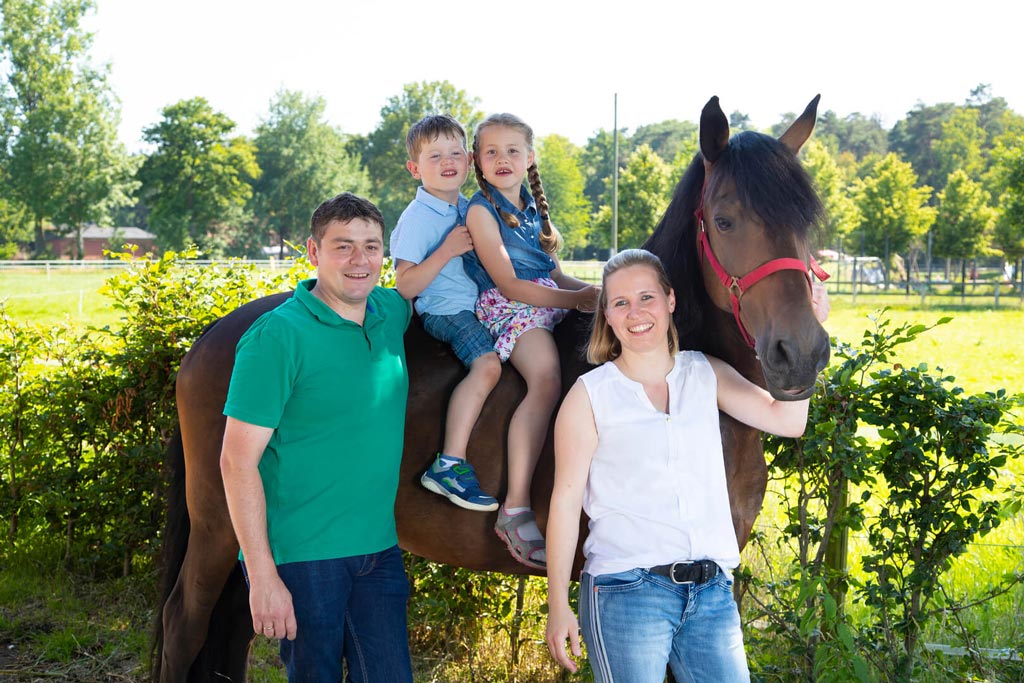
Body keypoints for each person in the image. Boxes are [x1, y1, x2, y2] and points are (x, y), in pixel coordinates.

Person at [545, 249, 828, 682]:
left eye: (646, 297)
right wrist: (557, 604)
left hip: (711, 594)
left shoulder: (705, 374)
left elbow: (788, 420)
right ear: (607, 313)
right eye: (620, 302)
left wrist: (812, 331)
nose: (635, 313)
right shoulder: (590, 396)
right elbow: (564, 504)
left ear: (670, 301)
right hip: (626, 592)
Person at [220, 193, 413, 683]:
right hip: (303, 559)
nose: (359, 261)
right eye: (343, 246)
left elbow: (428, 285)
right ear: (313, 252)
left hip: (379, 552)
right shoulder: (276, 337)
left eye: (371, 247)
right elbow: (236, 462)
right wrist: (262, 574)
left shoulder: (389, 311)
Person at [461, 112, 600, 570]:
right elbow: (511, 285)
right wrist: (575, 299)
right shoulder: (480, 211)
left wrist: (599, 295)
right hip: (512, 307)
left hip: (546, 297)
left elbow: (555, 273)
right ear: (478, 162)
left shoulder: (534, 208)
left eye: (512, 150)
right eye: (492, 151)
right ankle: (516, 504)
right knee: (545, 379)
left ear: (530, 158)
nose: (503, 159)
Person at [390, 114, 501, 513]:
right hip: (446, 310)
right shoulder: (418, 218)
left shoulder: (471, 208)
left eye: (455, 152)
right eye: (434, 155)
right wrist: (446, 250)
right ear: (415, 168)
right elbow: (406, 285)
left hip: (479, 305)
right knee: (488, 366)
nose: (447, 160)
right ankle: (450, 463)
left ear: (469, 161)